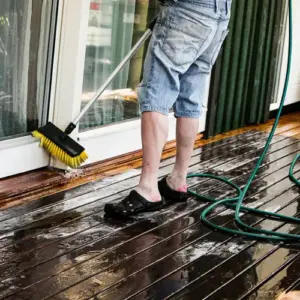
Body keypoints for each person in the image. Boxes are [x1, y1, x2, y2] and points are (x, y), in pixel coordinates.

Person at [104, 0, 232, 217]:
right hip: (219, 13)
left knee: (157, 93)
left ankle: (148, 188)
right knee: (190, 97)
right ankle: (178, 180)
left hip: (187, 9)